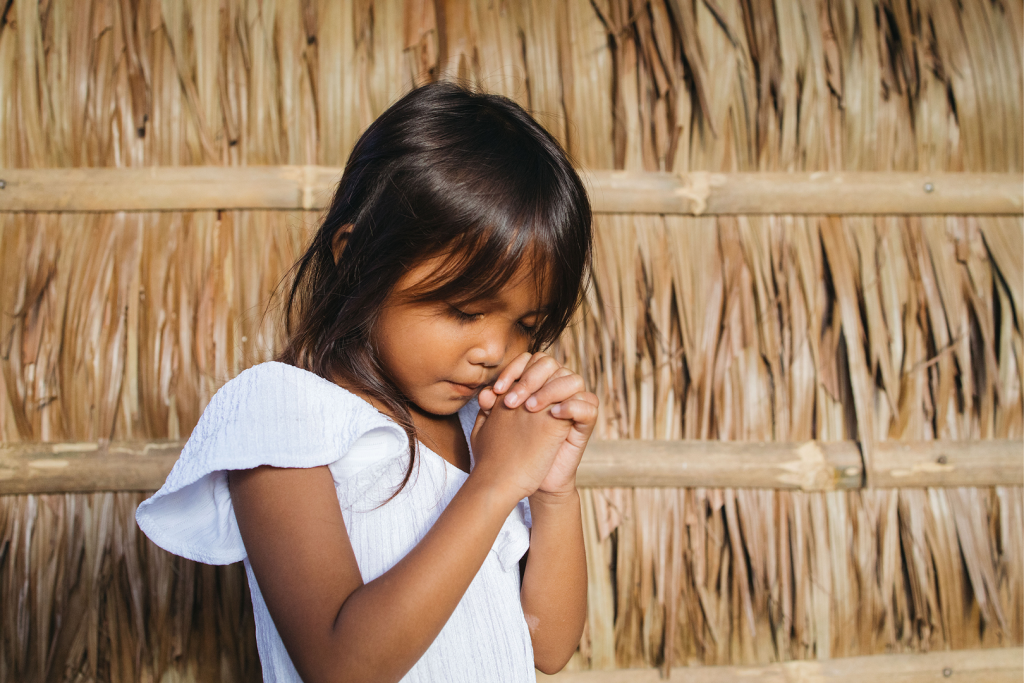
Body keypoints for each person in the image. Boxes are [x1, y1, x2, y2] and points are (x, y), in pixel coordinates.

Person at [136, 81, 597, 683]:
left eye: (527, 327)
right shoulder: (283, 412)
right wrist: (492, 485)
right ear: (355, 257)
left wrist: (553, 494)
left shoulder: (479, 432)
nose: (494, 350)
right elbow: (342, 667)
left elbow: (546, 647)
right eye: (463, 310)